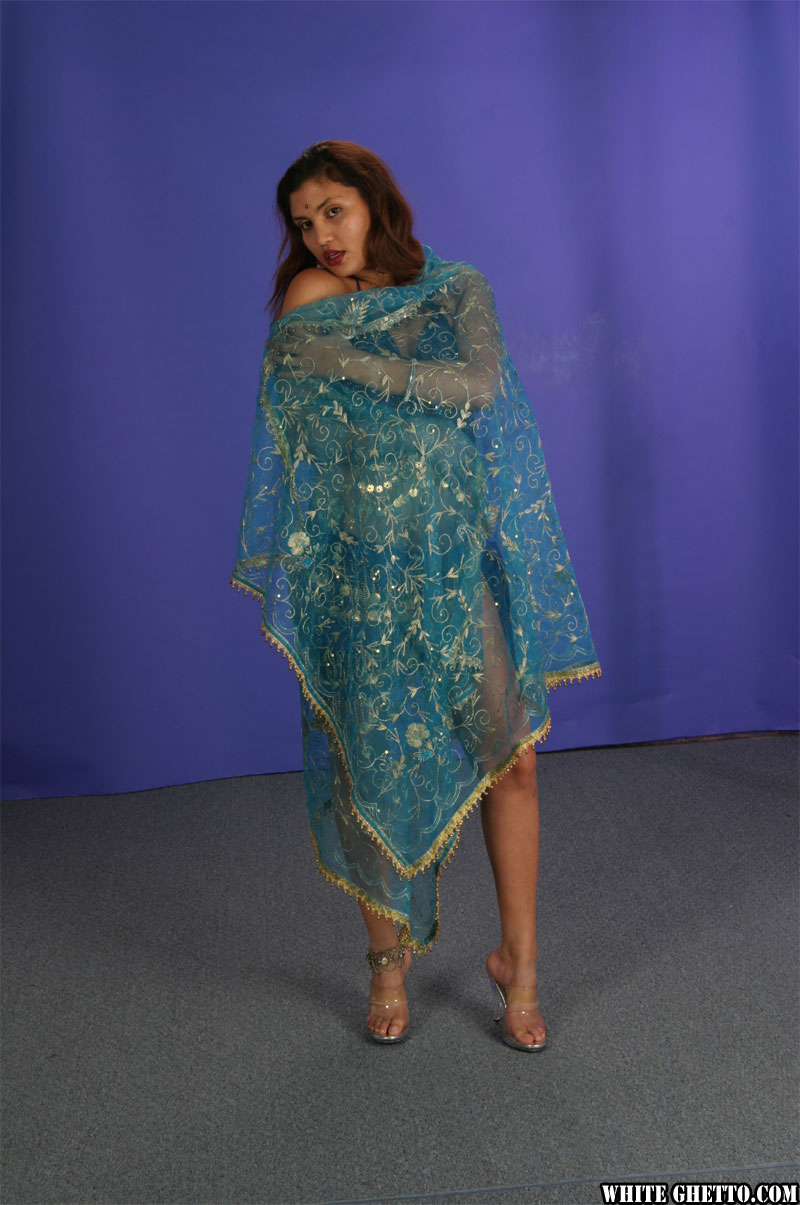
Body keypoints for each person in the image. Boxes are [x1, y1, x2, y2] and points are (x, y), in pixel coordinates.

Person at [232, 141, 600, 1050]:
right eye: (304, 222)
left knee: (513, 755)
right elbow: (301, 421)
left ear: (375, 201)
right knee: (369, 766)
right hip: (358, 570)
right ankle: (386, 962)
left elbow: (479, 387)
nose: (321, 235)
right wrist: (378, 373)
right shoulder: (310, 297)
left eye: (333, 210)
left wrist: (358, 366)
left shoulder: (457, 288)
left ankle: (520, 963)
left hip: (452, 558)